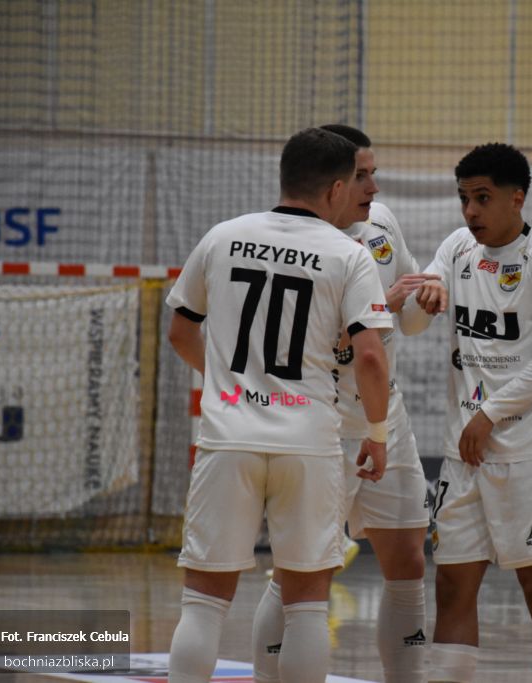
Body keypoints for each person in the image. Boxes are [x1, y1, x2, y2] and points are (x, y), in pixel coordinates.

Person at [164, 127, 393, 683]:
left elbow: (179, 331)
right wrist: (379, 434)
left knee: (203, 604)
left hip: (228, 439)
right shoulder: (348, 254)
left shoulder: (223, 236)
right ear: (337, 189)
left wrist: (230, 380)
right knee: (307, 604)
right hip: (307, 445)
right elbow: (370, 358)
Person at [252, 123, 435, 683]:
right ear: (331, 184)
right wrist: (384, 302)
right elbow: (325, 338)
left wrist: (425, 300)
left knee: (407, 558)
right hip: (322, 424)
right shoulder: (292, 241)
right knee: (300, 575)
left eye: (375, 173)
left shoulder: (380, 224)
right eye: (362, 176)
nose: (374, 187)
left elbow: (404, 320)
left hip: (385, 414)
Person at [414, 143, 532, 682]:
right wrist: (430, 288)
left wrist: (490, 415)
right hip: (462, 454)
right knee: (451, 586)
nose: (470, 211)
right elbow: (428, 286)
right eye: (464, 198)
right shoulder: (458, 247)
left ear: (517, 198)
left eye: (482, 198)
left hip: (526, 451)